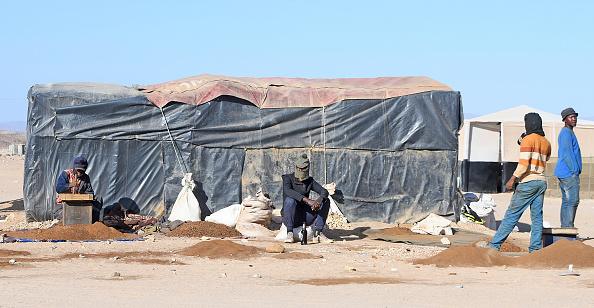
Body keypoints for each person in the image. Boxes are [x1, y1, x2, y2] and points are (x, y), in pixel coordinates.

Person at [489, 113, 551, 253]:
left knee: (512, 215)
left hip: (528, 181)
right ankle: (535, 249)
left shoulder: (528, 140)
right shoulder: (546, 142)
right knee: (537, 217)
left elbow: (523, 165)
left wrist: (512, 179)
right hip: (541, 181)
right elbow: (546, 158)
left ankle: (494, 246)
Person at [281, 153, 330, 243]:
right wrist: (307, 200)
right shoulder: (288, 178)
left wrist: (318, 201)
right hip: (291, 216)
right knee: (290, 200)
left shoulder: (309, 181)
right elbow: (288, 191)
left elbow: (324, 192)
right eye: (299, 168)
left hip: (304, 216)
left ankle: (318, 233)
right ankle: (290, 233)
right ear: (296, 167)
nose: (300, 170)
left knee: (326, 200)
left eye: (303, 168)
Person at [554, 107, 582, 228]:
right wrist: (574, 171)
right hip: (568, 173)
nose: (574, 119)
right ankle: (568, 228)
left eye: (575, 116)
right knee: (573, 201)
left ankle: (565, 228)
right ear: (565, 120)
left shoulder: (569, 132)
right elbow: (566, 154)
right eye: (571, 117)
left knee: (567, 201)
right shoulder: (566, 133)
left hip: (566, 172)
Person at [55, 156, 100, 221]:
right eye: (78, 170)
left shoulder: (85, 178)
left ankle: (92, 218)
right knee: (66, 216)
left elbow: (90, 192)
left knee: (98, 199)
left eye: (81, 171)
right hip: (64, 205)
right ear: (74, 167)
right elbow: (58, 189)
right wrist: (70, 185)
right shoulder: (66, 174)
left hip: (80, 205)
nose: (79, 172)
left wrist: (82, 197)